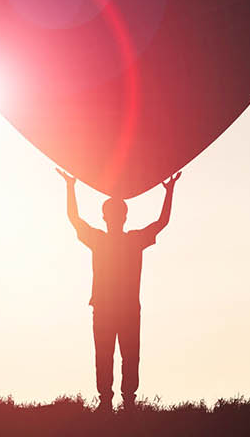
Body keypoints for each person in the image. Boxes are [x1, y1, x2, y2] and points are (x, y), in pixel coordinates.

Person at [58, 167, 179, 411]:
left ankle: (110, 402)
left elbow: (74, 219)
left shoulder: (100, 240)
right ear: (124, 217)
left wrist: (70, 188)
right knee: (127, 355)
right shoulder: (133, 241)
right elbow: (162, 222)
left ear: (106, 217)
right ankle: (125, 401)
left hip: (108, 309)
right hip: (124, 309)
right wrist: (169, 191)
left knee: (108, 355)